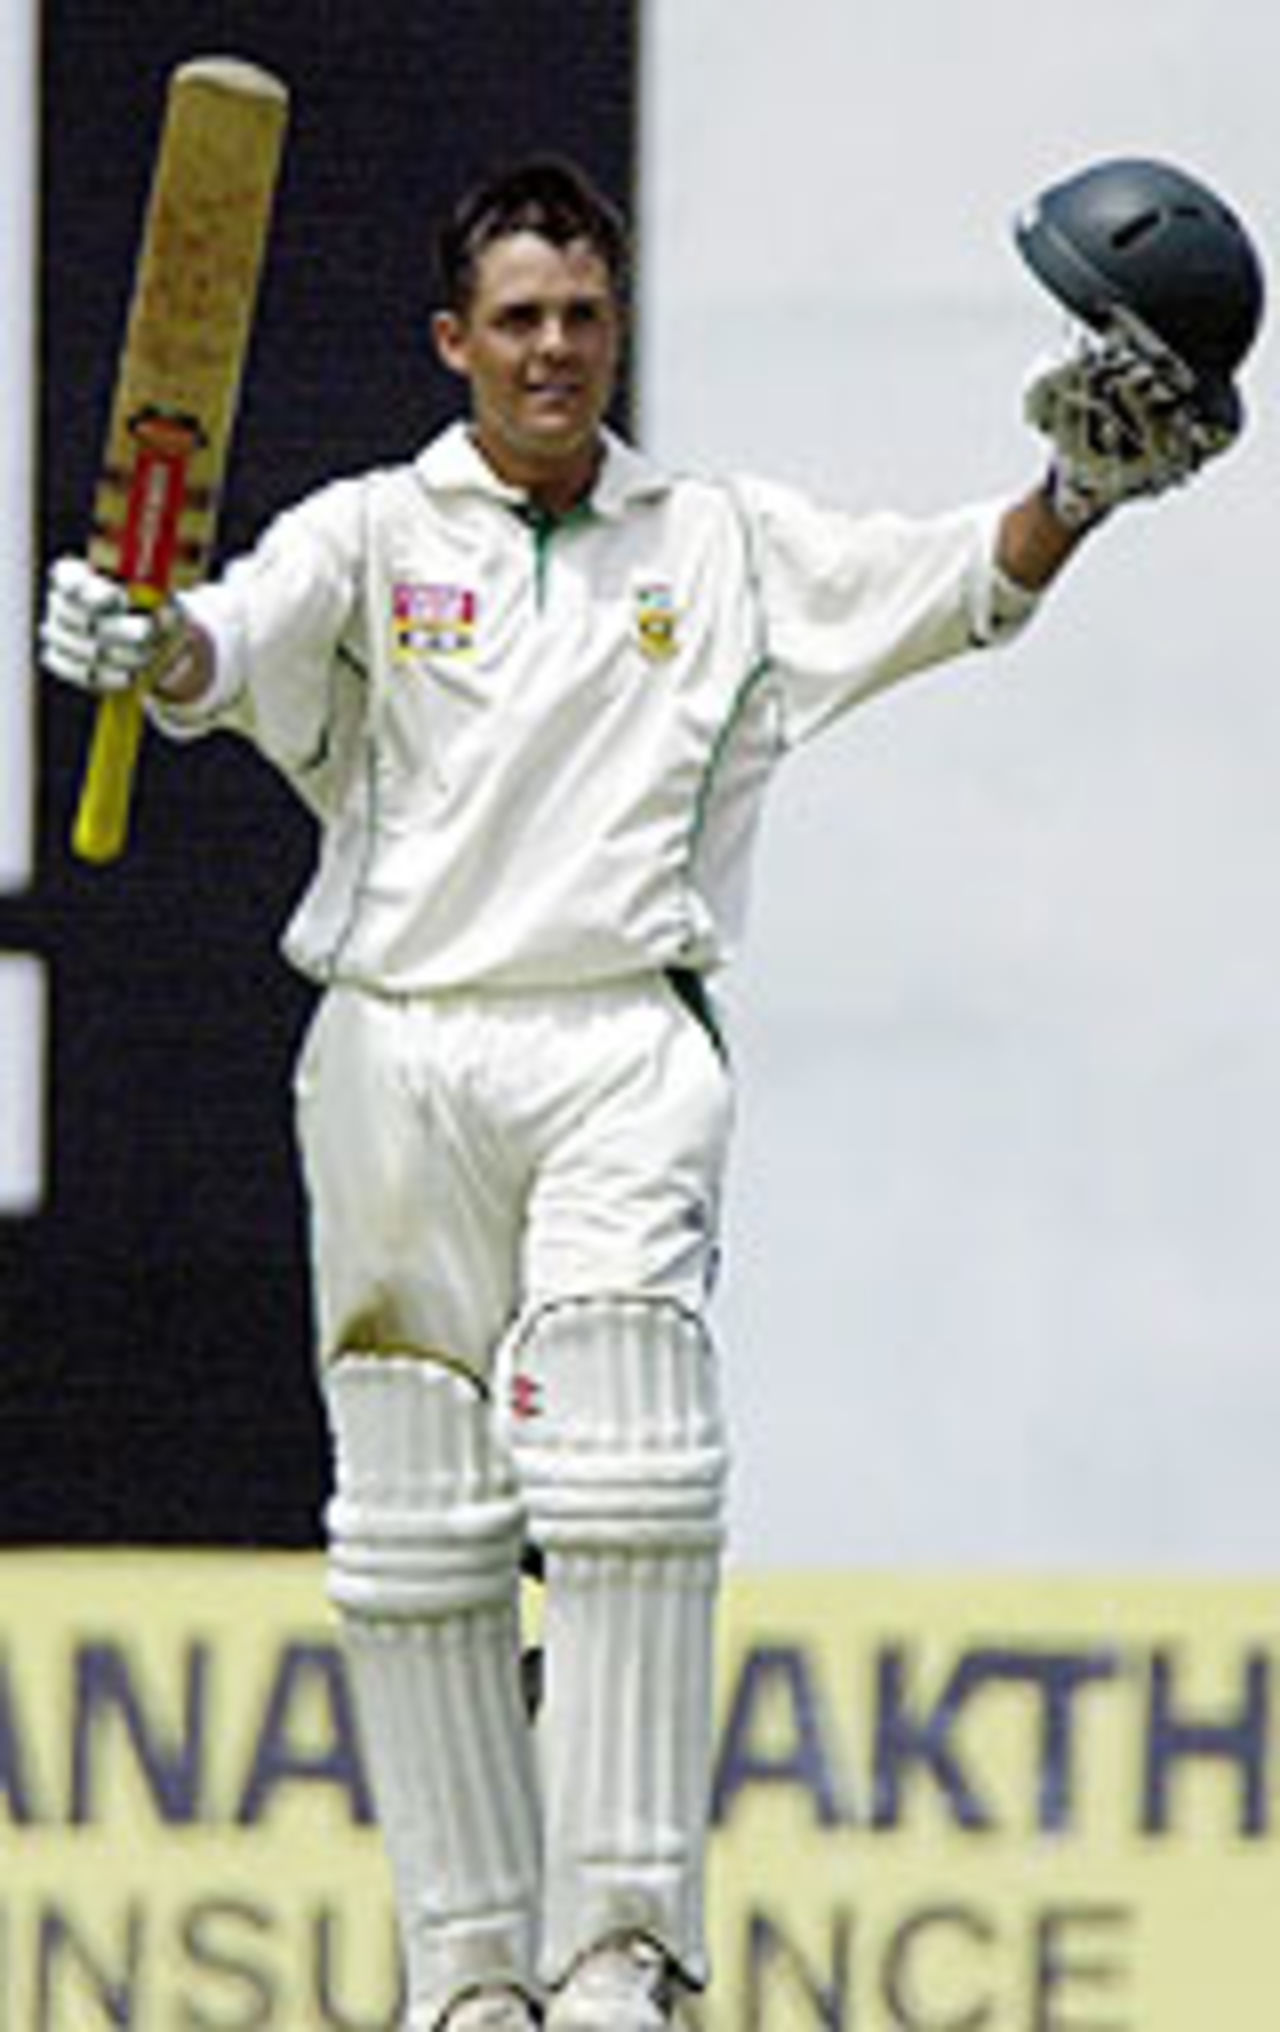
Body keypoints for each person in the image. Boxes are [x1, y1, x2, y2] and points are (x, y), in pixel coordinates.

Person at [39, 156, 1244, 2031]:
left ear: (618, 331)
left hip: (621, 1036)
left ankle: (621, 1951)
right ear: (456, 343)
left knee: (627, 1467)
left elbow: (952, 586)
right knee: (417, 1522)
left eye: (582, 318)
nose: (553, 351)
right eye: (516, 320)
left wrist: (1077, 494)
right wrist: (149, 638)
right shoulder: (370, 534)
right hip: (394, 1042)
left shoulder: (718, 543)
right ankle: (467, 1973)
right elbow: (226, 650)